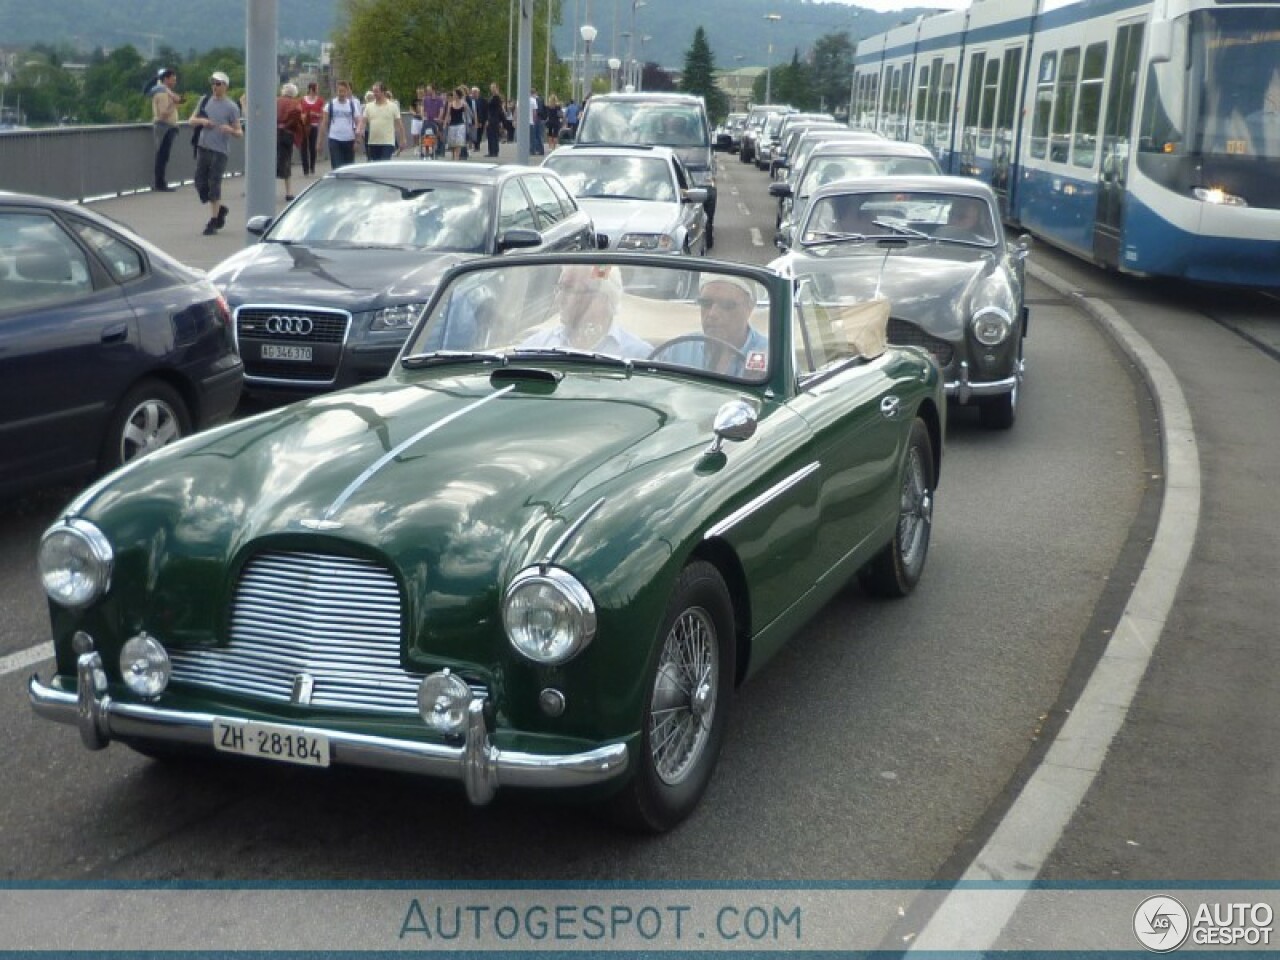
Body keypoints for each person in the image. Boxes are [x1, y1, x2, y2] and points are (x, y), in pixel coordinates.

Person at [519, 265, 650, 358]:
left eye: (569, 289)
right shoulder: (537, 347)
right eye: (560, 288)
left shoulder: (638, 355)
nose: (559, 299)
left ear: (600, 299)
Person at [662, 274, 768, 377]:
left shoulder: (771, 357)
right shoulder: (679, 349)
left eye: (727, 305)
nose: (713, 314)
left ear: (749, 308)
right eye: (706, 303)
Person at [190, 71, 242, 236]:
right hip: (203, 146)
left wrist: (230, 130)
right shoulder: (204, 101)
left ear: (225, 86)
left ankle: (213, 221)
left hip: (220, 151)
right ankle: (219, 210)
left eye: (218, 83)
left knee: (214, 183)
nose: (215, 86)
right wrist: (202, 121)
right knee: (199, 181)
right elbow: (191, 120)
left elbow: (239, 132)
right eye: (213, 83)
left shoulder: (231, 107)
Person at [150, 68, 184, 191]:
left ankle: (160, 182)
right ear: (166, 79)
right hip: (164, 127)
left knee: (163, 156)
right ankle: (160, 184)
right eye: (173, 79)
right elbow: (163, 114)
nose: (175, 82)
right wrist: (175, 103)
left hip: (167, 127)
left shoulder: (166, 92)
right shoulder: (163, 94)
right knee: (162, 156)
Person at [318, 79, 362, 170]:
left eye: (343, 91)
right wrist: (320, 142)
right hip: (335, 139)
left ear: (347, 92)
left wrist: (357, 140)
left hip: (349, 139)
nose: (341, 94)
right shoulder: (330, 105)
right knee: (337, 167)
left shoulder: (352, 105)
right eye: (339, 91)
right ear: (336, 91)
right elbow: (324, 124)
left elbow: (358, 123)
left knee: (348, 168)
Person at [275, 83, 306, 201]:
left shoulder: (276, 101)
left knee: (271, 160)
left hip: (274, 133)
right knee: (286, 161)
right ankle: (288, 192)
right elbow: (298, 117)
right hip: (287, 134)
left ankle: (266, 188)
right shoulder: (295, 103)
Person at [364, 82, 405, 161]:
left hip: (387, 142)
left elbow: (400, 124)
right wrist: (359, 131)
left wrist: (403, 139)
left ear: (383, 92)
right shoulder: (369, 106)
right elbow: (363, 121)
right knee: (376, 165)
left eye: (376, 91)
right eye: (373, 91)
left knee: (384, 162)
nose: (374, 93)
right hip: (373, 142)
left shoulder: (393, 106)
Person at [299, 82, 325, 176]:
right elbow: (299, 111)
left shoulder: (320, 100)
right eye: (316, 88)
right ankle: (305, 169)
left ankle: (312, 166)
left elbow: (323, 114)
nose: (317, 90)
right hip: (304, 125)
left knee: (312, 147)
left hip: (314, 125)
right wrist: (303, 116)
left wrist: (316, 114)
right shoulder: (302, 100)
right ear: (311, 89)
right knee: (303, 147)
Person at [443, 86, 473, 161]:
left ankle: (457, 157)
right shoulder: (450, 104)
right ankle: (453, 156)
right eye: (453, 95)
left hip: (460, 124)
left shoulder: (464, 104)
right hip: (452, 125)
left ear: (458, 95)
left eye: (455, 94)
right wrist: (445, 123)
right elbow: (447, 114)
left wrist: (469, 124)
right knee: (452, 143)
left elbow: (467, 114)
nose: (454, 96)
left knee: (459, 142)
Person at [485, 83, 504, 157]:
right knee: (491, 135)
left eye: (493, 88)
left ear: (496, 88)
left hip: (494, 118)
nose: (492, 89)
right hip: (492, 118)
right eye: (491, 88)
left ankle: (494, 151)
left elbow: (497, 109)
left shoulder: (496, 98)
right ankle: (492, 151)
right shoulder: (493, 97)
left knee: (493, 135)